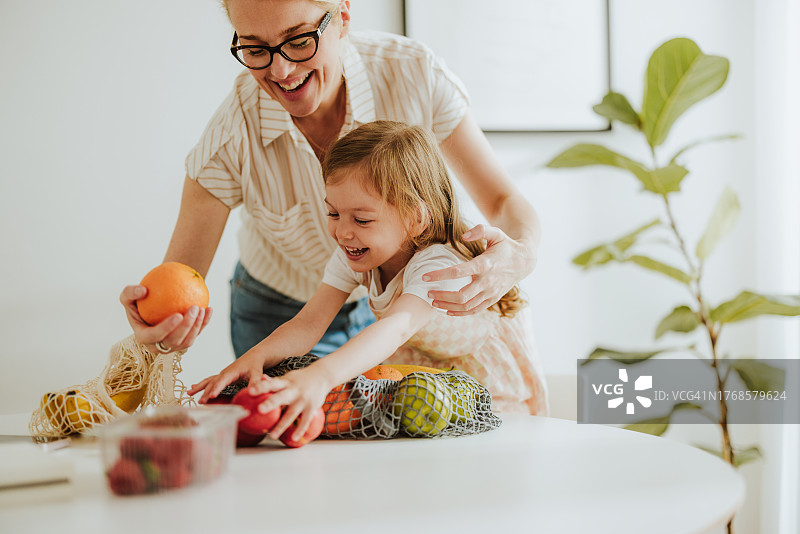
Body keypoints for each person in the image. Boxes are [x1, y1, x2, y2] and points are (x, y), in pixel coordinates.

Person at [119, 0, 541, 361]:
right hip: (278, 308)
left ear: (342, 16)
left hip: (393, 297)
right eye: (255, 48)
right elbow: (180, 277)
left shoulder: (413, 74)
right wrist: (156, 324)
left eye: (300, 40)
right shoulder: (232, 136)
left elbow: (502, 200)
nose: (281, 70)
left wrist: (521, 255)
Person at [188, 121, 548, 442]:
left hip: (482, 380)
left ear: (415, 219)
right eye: (333, 213)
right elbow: (308, 323)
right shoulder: (356, 254)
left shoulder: (437, 261)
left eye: (361, 219)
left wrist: (320, 376)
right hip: (424, 377)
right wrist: (255, 357)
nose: (343, 232)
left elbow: (396, 326)